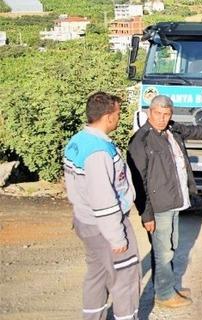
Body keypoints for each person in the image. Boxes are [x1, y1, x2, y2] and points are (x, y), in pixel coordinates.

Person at [127, 95, 202, 309]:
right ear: (150, 112)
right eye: (158, 113)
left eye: (166, 114)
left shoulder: (172, 130)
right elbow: (138, 183)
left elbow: (197, 131)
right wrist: (146, 214)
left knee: (170, 247)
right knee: (163, 251)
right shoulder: (141, 141)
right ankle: (165, 295)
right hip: (159, 206)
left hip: (175, 200)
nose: (162, 118)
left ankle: (166, 287)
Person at [64, 92, 140, 320]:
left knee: (96, 276)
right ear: (108, 117)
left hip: (85, 220)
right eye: (117, 114)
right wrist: (117, 237)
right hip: (105, 226)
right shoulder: (98, 151)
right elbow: (103, 198)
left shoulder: (78, 140)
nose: (119, 118)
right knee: (125, 279)